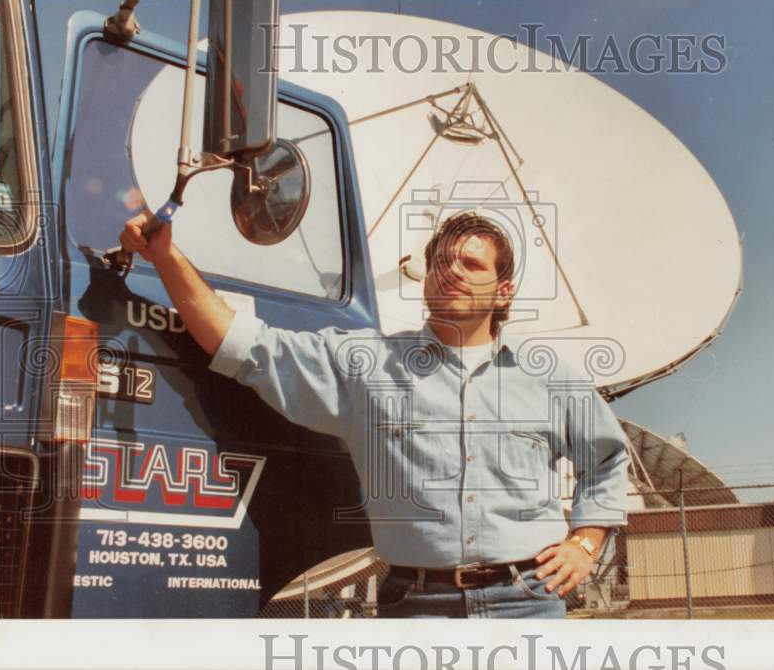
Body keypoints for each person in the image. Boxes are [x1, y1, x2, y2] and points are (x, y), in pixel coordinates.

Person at [120, 209, 631, 619]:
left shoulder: (547, 378)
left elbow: (607, 460)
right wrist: (165, 257)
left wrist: (586, 542)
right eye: (441, 261)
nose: (451, 270)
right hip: (416, 608)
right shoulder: (365, 365)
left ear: (504, 291)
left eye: (471, 264)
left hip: (528, 603)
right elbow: (242, 345)